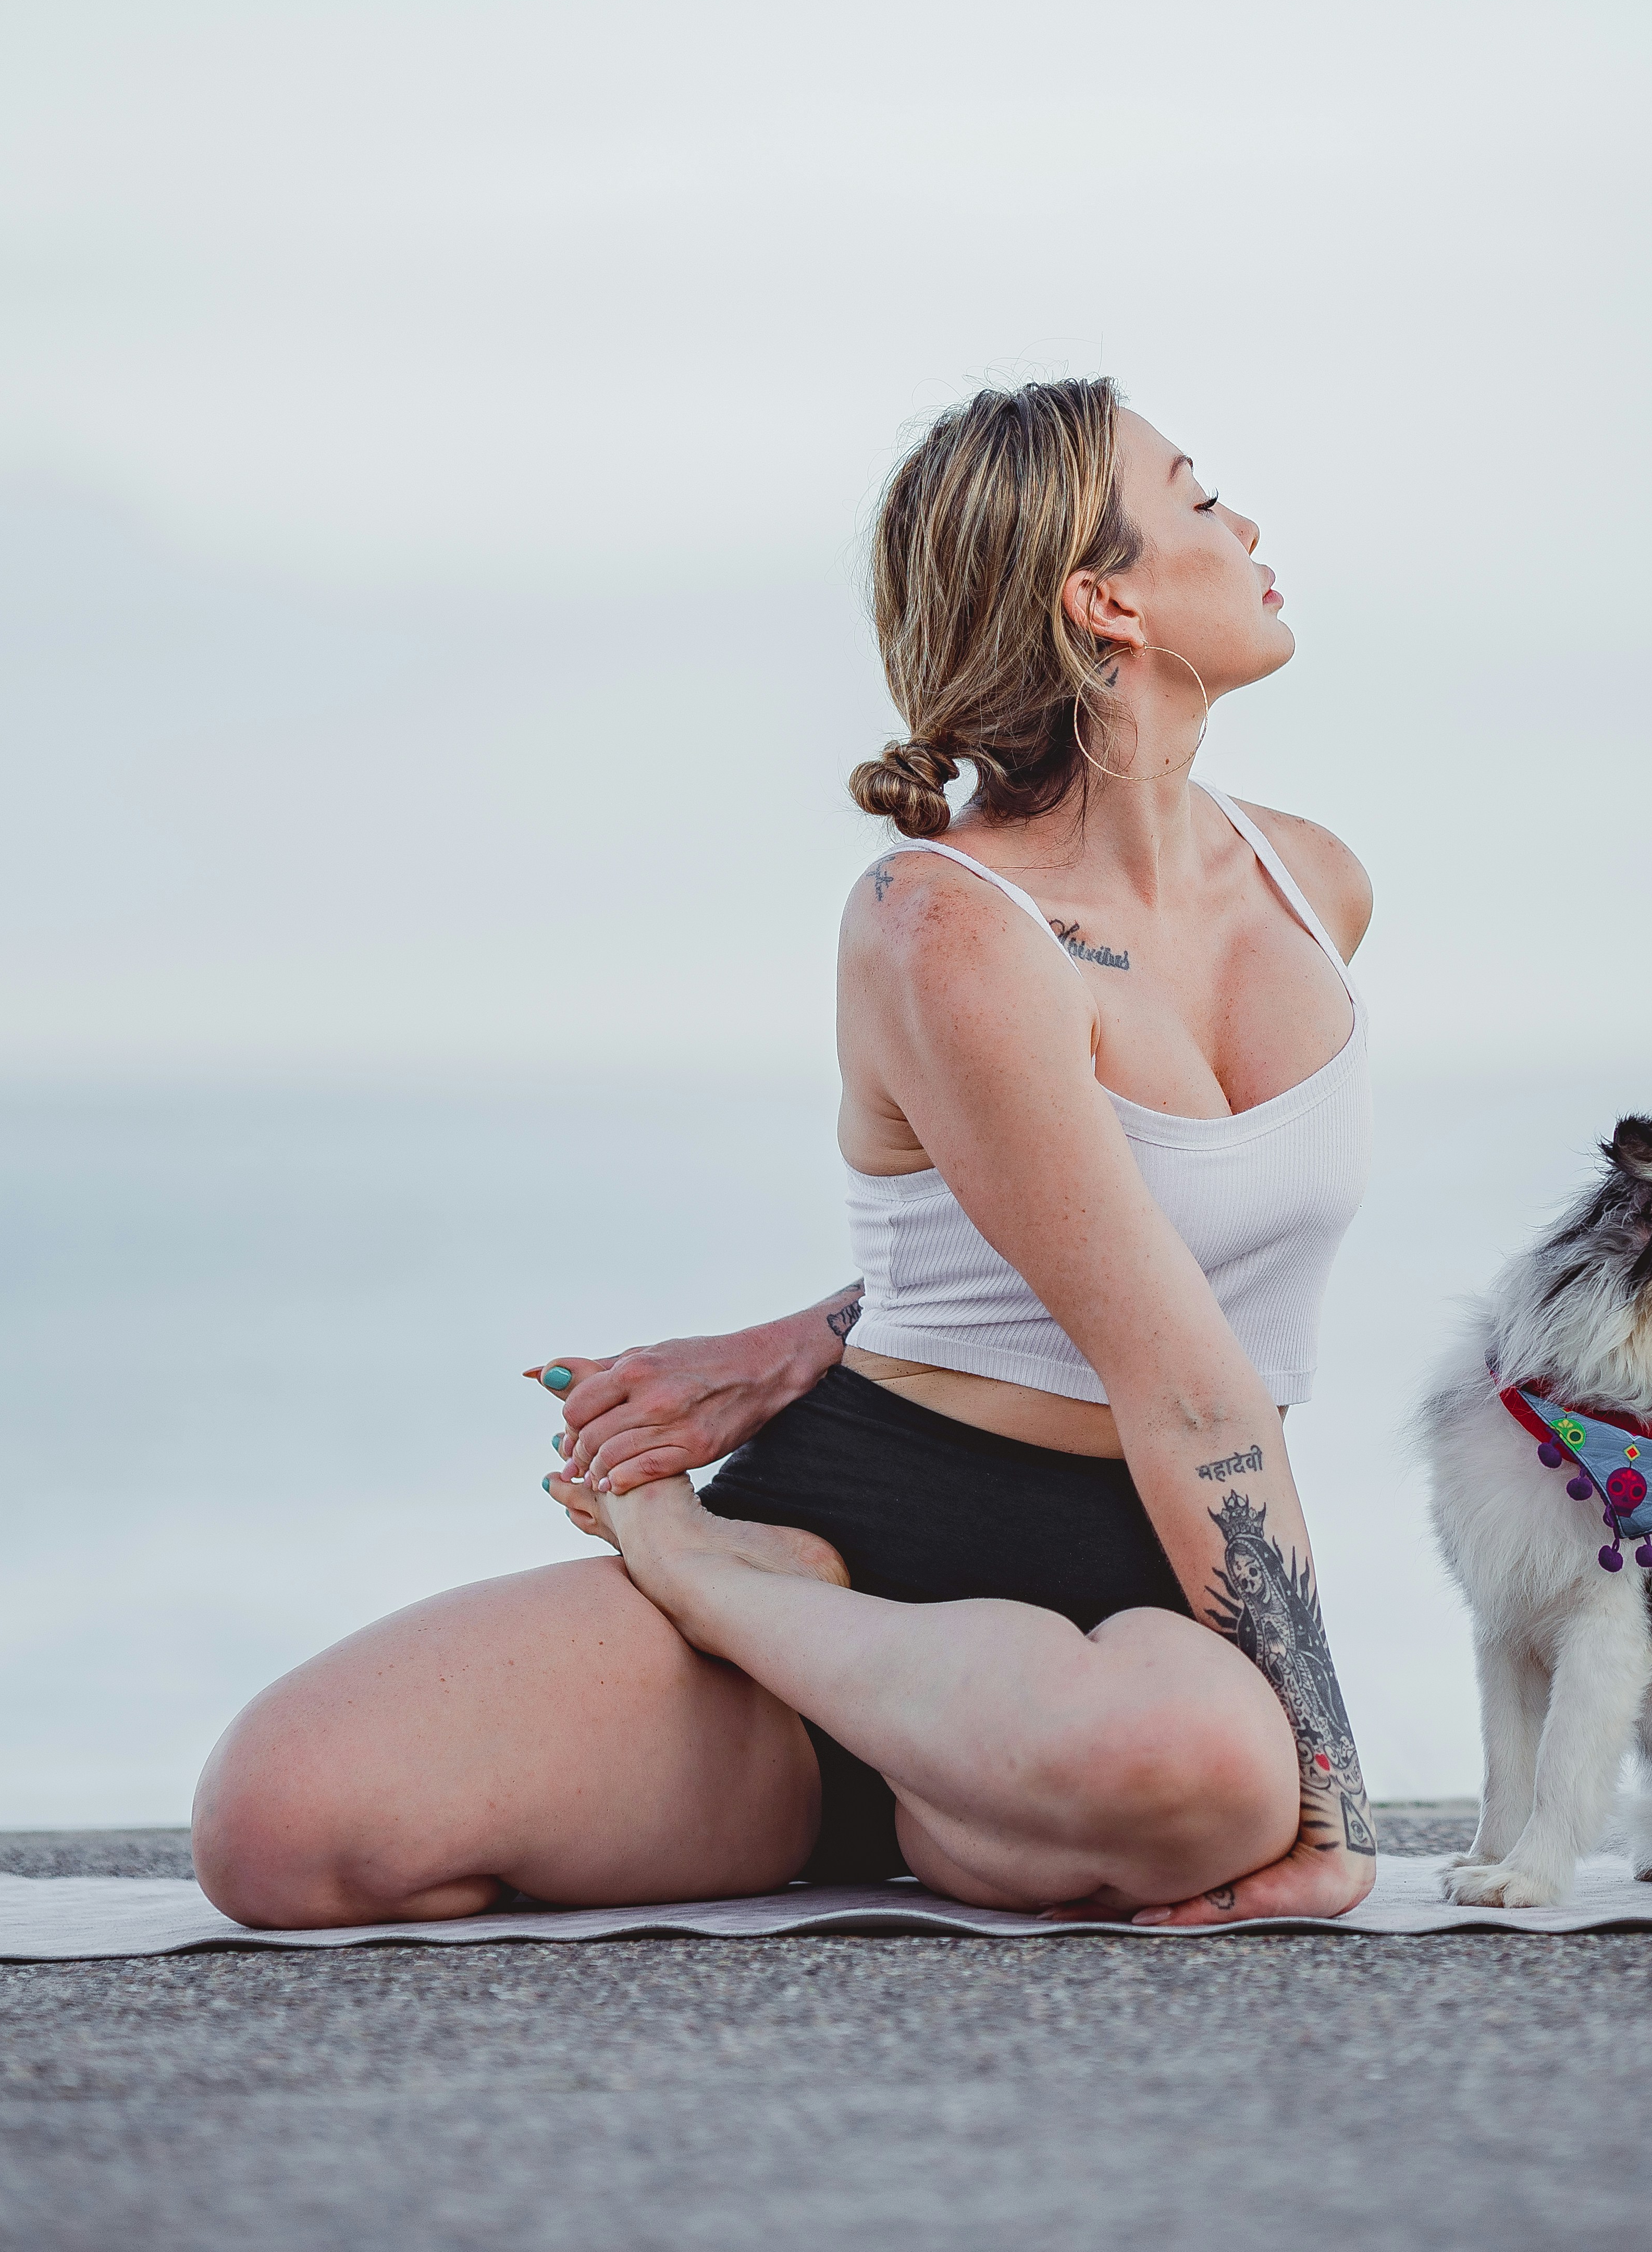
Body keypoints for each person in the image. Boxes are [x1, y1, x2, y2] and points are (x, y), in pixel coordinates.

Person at [191, 377, 1380, 1927]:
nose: (1250, 526)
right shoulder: (944, 923)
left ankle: (901, 1733)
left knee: (1196, 1767)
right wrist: (1340, 1819)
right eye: (1203, 500)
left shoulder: (1314, 888)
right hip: (856, 1553)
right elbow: (1185, 1380)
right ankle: (726, 1592)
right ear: (1107, 600)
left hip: (1132, 1629)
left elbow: (1126, 1240)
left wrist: (802, 1333)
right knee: (281, 1826)